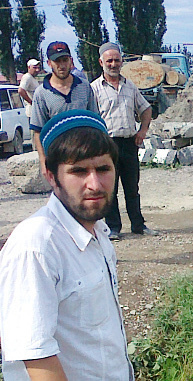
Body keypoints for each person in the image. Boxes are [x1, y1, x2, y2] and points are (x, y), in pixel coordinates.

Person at [0, 109, 134, 381]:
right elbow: (35, 355)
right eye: (79, 171)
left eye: (103, 169)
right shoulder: (36, 246)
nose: (94, 184)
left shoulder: (98, 232)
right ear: (51, 176)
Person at [91, 42, 157, 240]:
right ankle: (113, 228)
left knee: (132, 187)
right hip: (106, 145)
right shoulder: (93, 89)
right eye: (109, 60)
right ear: (101, 62)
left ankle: (138, 225)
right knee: (110, 188)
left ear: (122, 61)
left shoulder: (130, 86)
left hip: (129, 144)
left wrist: (143, 130)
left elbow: (146, 109)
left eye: (116, 60)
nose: (113, 64)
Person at [30, 41, 98, 176]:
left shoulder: (84, 87)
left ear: (71, 61)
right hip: (58, 157)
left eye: (65, 60)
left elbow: (94, 121)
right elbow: (38, 131)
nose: (62, 66)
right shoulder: (41, 93)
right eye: (57, 61)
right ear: (49, 63)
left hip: (84, 154)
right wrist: (43, 161)